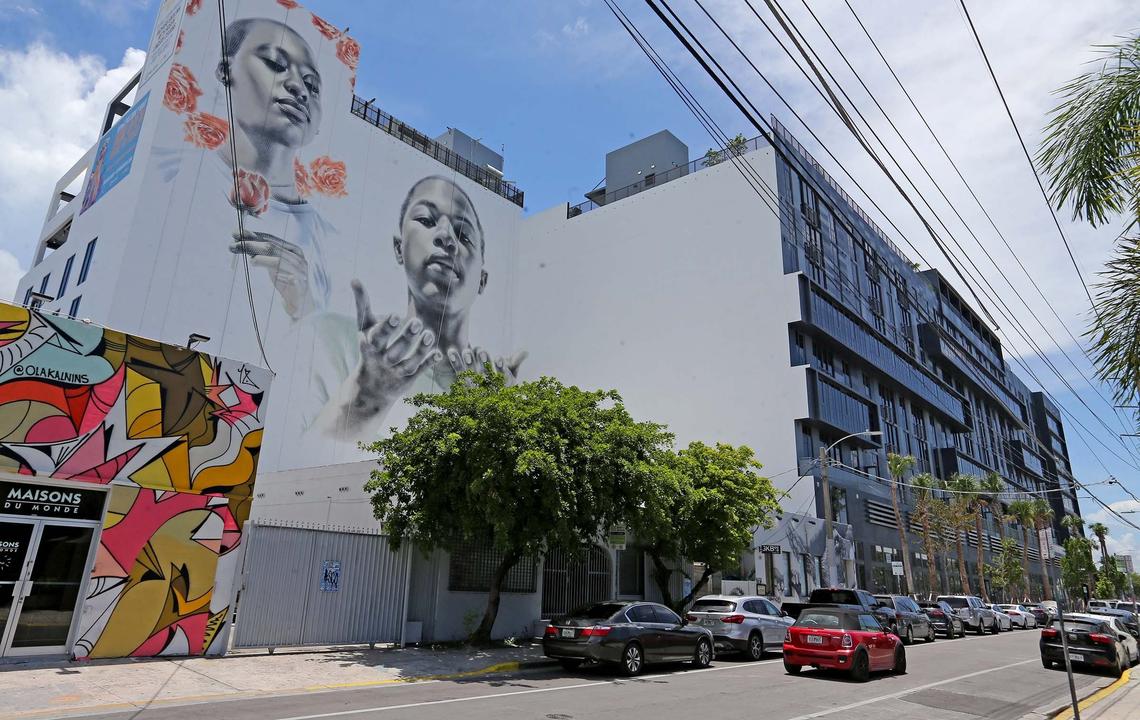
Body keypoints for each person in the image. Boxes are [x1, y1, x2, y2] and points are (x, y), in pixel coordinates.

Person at [309, 175, 525, 438]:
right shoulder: (330, 339)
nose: (446, 237)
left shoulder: (492, 386)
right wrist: (363, 401)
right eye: (426, 220)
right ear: (399, 248)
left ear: (482, 279)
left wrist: (502, 419)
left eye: (464, 235)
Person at [218, 17, 331, 320]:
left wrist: (302, 306)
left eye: (312, 85)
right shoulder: (179, 172)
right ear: (226, 70)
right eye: (275, 63)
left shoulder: (325, 236)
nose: (298, 88)